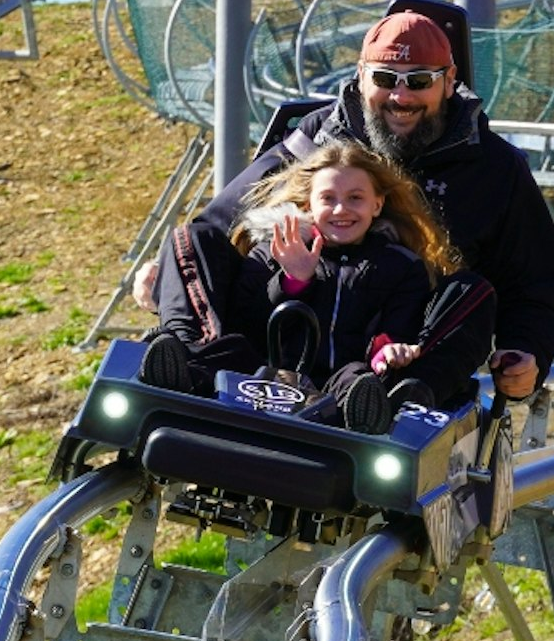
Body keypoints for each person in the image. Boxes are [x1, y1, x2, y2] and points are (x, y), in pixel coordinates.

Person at [136, 4, 554, 405]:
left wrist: (527, 349)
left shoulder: (493, 167)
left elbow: (535, 278)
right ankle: (187, 358)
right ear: (361, 77)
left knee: (471, 293)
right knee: (191, 240)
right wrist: (170, 271)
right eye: (384, 79)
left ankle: (400, 400)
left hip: (398, 346)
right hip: (285, 327)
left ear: (449, 81)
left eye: (419, 81)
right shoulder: (317, 139)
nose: (401, 97)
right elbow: (224, 220)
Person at [142, 141, 474, 434]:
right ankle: (181, 370)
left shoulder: (400, 265)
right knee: (223, 333)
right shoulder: (275, 248)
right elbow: (245, 318)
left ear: (377, 205)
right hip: (259, 372)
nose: (341, 209)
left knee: (358, 378)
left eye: (355, 198)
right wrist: (292, 281)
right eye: (328, 198)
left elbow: (400, 326)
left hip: (338, 380)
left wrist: (388, 350)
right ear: (308, 205)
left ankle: (364, 417)